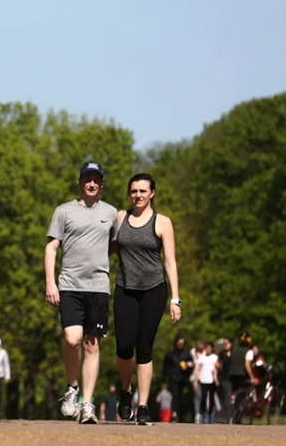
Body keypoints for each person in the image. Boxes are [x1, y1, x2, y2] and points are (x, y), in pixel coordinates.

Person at [45, 161, 119, 424]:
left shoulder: (111, 213)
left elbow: (115, 246)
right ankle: (72, 388)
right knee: (72, 339)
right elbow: (51, 248)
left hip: (98, 287)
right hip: (69, 284)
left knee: (92, 344)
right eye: (87, 179)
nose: (91, 184)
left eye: (96, 180)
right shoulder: (64, 211)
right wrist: (50, 283)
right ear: (80, 182)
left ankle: (87, 404)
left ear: (101, 184)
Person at [113, 173, 182, 425]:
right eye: (134, 191)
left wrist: (176, 298)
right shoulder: (120, 218)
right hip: (125, 288)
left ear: (152, 193)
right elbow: (107, 246)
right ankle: (125, 390)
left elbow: (170, 262)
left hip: (154, 290)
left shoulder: (162, 222)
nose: (138, 195)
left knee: (144, 347)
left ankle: (142, 406)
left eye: (143, 191)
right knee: (123, 345)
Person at [162, 335, 193, 422]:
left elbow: (191, 364)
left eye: (182, 344)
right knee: (175, 395)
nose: (181, 345)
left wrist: (188, 366)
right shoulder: (170, 353)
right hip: (173, 377)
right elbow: (165, 367)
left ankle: (179, 414)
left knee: (180, 397)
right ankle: (174, 413)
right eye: (179, 344)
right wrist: (164, 379)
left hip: (183, 378)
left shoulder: (186, 353)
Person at [194, 341, 218, 423]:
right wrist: (196, 380)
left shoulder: (215, 357)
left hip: (211, 380)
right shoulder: (202, 358)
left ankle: (210, 413)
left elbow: (216, 370)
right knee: (203, 396)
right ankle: (203, 413)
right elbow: (199, 369)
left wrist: (216, 378)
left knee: (211, 398)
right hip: (203, 380)